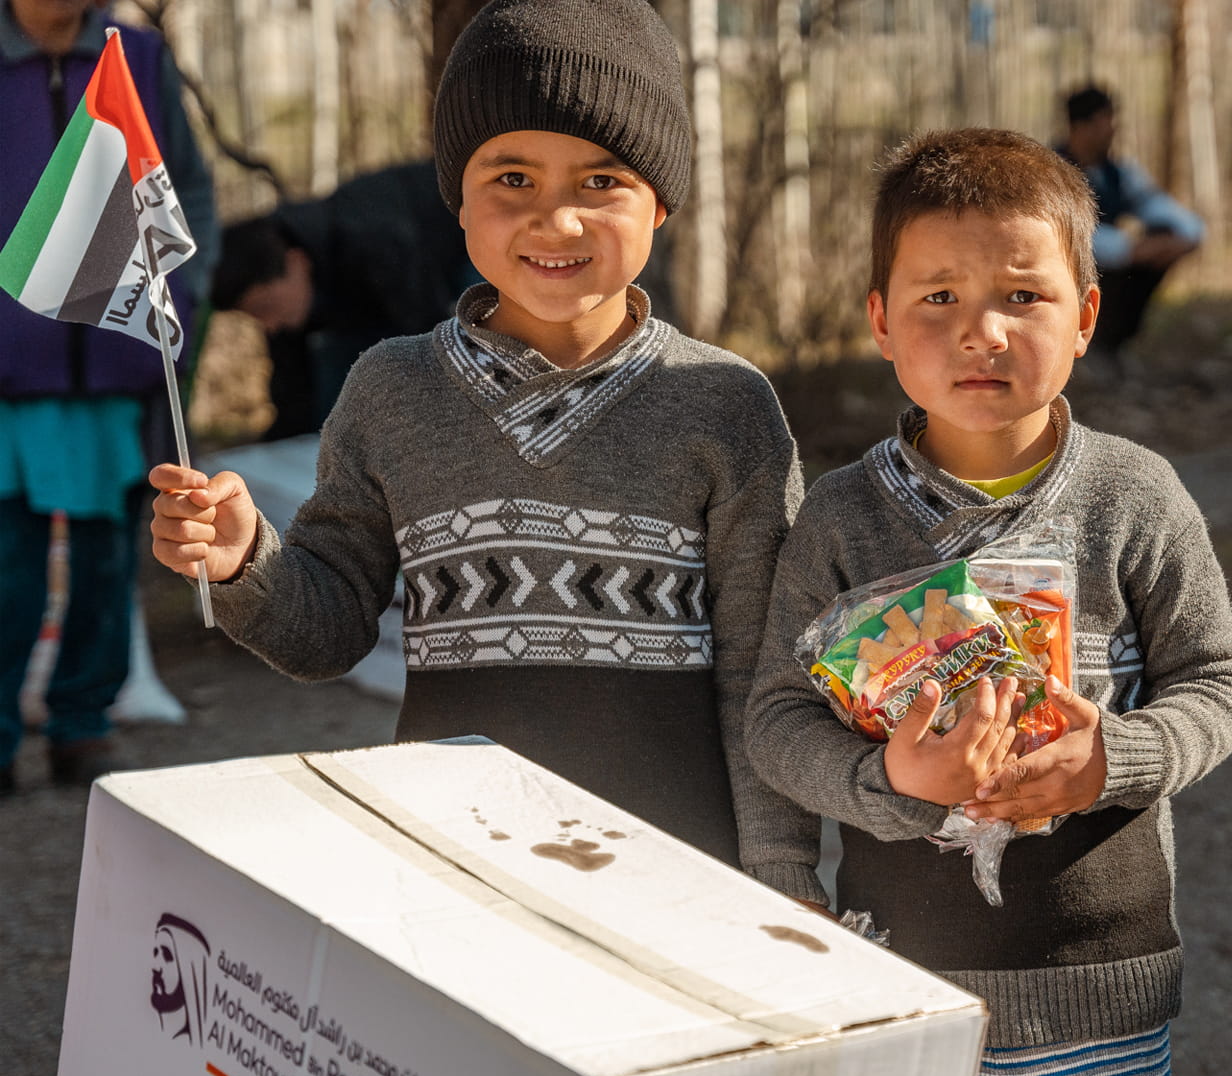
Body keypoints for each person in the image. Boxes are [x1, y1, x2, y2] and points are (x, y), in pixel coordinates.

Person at [149, 0, 821, 893]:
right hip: (449, 870)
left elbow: (762, 671)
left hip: (677, 876)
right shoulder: (392, 390)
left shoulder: (725, 407)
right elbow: (331, 626)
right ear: (456, 200)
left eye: (600, 182)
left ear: (661, 201)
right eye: (512, 179)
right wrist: (245, 566)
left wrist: (781, 878)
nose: (557, 221)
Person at [744, 128, 1232, 1076]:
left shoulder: (1132, 497)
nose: (984, 334)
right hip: (898, 986)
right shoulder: (840, 518)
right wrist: (891, 784)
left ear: (1087, 316)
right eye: (939, 298)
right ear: (881, 322)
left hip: (1100, 988)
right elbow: (777, 721)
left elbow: (1220, 683)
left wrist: (1114, 755)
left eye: (1024, 297)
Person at [0, 0, 217, 796]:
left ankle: (82, 728)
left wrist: (189, 288)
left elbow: (186, 186)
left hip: (112, 360)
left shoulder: (141, 61)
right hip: (8, 370)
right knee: (8, 564)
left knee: (102, 559)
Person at [209, 161, 478, 438]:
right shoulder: (287, 288)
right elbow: (294, 396)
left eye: (265, 308)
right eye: (254, 317)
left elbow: (429, 336)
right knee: (336, 383)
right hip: (391, 300)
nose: (269, 325)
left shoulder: (372, 242)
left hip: (460, 249)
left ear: (296, 261)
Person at [1054, 84, 1204, 358]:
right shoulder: (1051, 171)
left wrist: (1180, 238)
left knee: (1157, 247)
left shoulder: (1118, 174)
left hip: (1115, 267)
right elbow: (1061, 233)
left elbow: (1163, 210)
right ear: (1082, 126)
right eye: (1105, 122)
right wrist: (1131, 249)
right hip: (1066, 267)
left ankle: (1113, 341)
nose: (1112, 130)